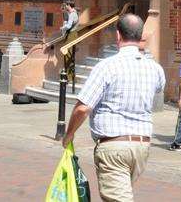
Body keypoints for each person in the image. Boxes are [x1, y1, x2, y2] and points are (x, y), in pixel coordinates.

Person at [62, 13, 165, 202]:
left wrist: (69, 133)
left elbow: (83, 108)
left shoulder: (106, 67)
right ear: (141, 35)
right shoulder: (155, 69)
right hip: (141, 146)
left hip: (114, 146)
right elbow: (159, 89)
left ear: (118, 35)